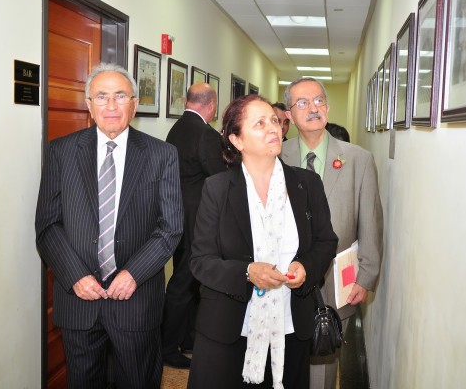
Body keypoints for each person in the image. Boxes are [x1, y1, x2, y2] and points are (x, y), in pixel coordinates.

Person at [35, 63, 183, 388]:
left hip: (136, 298)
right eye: (101, 97)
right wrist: (75, 275)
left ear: (134, 103)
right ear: (89, 105)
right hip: (79, 299)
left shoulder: (162, 154)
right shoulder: (61, 151)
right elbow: (47, 225)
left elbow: (170, 227)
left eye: (120, 96)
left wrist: (133, 273)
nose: (111, 106)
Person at [187, 94, 338, 389]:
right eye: (259, 123)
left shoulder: (307, 184)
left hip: (290, 325)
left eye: (274, 121)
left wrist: (306, 267)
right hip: (230, 328)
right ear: (237, 140)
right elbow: (201, 262)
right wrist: (247, 272)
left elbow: (325, 241)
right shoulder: (217, 189)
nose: (273, 128)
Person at [281, 77, 383, 389]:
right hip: (285, 279)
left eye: (319, 101)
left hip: (337, 281)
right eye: (302, 103)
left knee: (323, 366)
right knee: (283, 362)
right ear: (289, 114)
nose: (313, 108)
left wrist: (366, 277)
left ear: (327, 107)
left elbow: (371, 222)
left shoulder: (358, 159)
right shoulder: (276, 156)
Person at [163, 82, 226, 368]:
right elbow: (219, 177)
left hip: (177, 214)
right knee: (183, 282)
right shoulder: (206, 134)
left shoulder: (176, 129)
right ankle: (168, 347)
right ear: (211, 105)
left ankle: (187, 338)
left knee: (187, 280)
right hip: (198, 219)